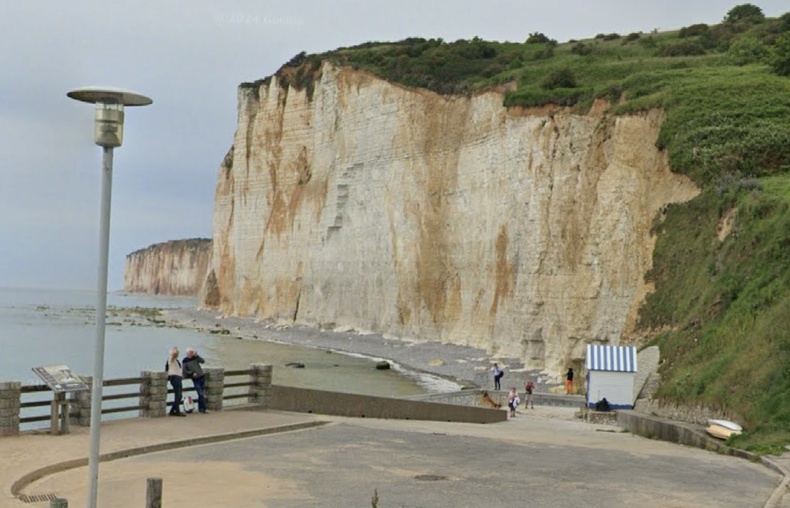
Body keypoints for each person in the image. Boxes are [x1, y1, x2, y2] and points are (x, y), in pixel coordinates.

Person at [182, 347, 208, 414]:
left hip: (201, 376)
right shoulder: (185, 361)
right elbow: (184, 370)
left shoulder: (195, 358)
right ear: (187, 353)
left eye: (192, 352)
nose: (191, 353)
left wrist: (197, 356)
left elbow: (203, 361)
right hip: (195, 379)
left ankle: (201, 408)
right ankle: (203, 409)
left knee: (202, 394)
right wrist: (191, 373)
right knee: (200, 394)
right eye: (190, 352)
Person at [165, 346, 186, 416]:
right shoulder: (170, 359)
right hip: (174, 377)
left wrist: (181, 374)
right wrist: (174, 350)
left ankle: (172, 411)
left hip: (178, 377)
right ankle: (177, 411)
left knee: (179, 395)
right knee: (178, 395)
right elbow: (174, 355)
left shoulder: (176, 361)